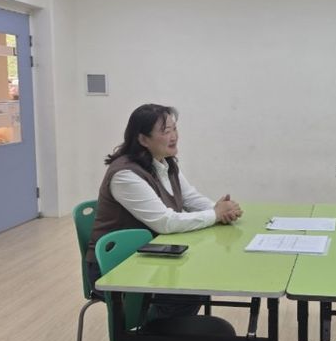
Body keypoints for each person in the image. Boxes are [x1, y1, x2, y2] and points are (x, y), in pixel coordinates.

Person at [85, 103, 243, 317]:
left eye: (174, 129)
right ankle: (151, 332)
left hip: (151, 255)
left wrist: (221, 209)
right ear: (143, 139)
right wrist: (216, 214)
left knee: (198, 280)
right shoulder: (125, 175)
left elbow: (190, 197)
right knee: (192, 288)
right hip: (117, 266)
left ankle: (167, 330)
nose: (174, 136)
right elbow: (165, 222)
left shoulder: (164, 163)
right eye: (166, 131)